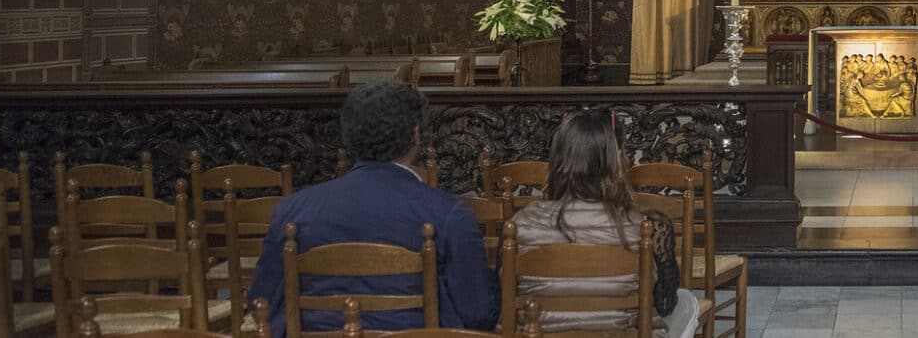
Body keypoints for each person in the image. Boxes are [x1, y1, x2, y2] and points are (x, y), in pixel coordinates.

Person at [248, 83, 496, 336]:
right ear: (416, 135)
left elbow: (261, 303)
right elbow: (477, 312)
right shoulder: (449, 214)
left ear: (349, 136)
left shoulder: (292, 211)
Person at [512, 111, 698, 338]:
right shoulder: (647, 228)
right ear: (617, 161)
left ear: (558, 160)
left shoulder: (519, 225)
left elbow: (503, 301)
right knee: (688, 303)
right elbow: (666, 303)